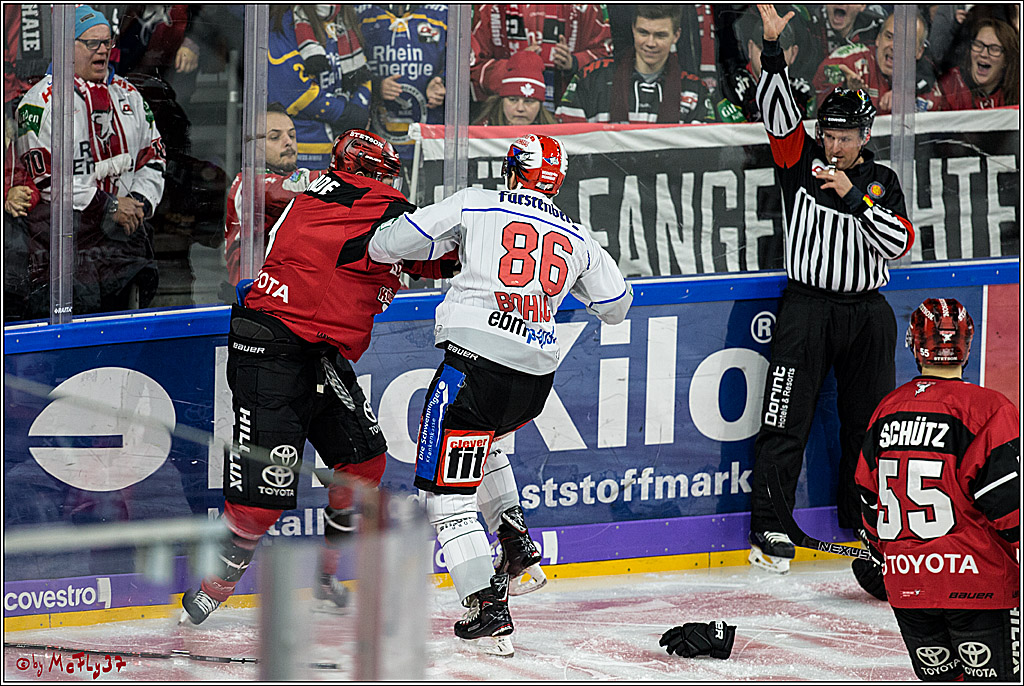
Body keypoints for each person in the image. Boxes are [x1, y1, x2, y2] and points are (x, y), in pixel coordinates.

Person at [368, 133, 632, 656]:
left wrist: (448, 249)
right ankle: (513, 540)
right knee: (481, 446)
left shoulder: (475, 202)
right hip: (531, 386)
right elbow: (619, 305)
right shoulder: (577, 237)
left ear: (511, 171)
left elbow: (386, 245)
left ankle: (486, 607)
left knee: (445, 498)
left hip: (472, 373)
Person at [180, 129, 458, 625]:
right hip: (270, 346)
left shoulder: (321, 190)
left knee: (364, 462)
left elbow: (420, 258)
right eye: (384, 172)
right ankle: (211, 588)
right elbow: (438, 257)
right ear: (370, 172)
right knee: (261, 499)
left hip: (315, 346)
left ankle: (327, 577)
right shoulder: (378, 203)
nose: (390, 181)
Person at [745, 5, 913, 582]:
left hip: (867, 314)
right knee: (783, 418)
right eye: (829, 134)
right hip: (808, 307)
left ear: (865, 136)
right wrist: (772, 49)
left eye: (844, 136)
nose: (834, 145)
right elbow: (776, 114)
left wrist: (851, 194)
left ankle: (862, 521)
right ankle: (771, 525)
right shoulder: (799, 161)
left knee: (869, 426)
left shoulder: (881, 181)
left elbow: (898, 243)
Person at [855, 297, 1019, 681]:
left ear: (913, 343)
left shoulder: (887, 409)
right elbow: (1008, 504)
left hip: (909, 585)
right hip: (980, 585)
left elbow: (867, 497)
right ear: (968, 343)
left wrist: (886, 552)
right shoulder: (988, 409)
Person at [14, 4, 165, 318]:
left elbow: (153, 155)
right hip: (65, 248)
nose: (102, 51)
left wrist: (136, 203)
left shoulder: (130, 95)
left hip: (125, 242)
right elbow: (49, 181)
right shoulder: (39, 102)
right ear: (66, 47)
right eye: (91, 43)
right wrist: (111, 207)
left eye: (106, 42)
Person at [555, 5, 714, 124]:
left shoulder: (695, 91)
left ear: (676, 36)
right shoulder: (591, 79)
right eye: (643, 33)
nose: (650, 43)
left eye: (660, 35)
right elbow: (567, 142)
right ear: (633, 29)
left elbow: (705, 156)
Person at [224, 103, 323, 285]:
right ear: (251, 146)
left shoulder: (297, 181)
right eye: (275, 137)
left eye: (292, 135)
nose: (288, 142)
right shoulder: (247, 183)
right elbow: (284, 190)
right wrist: (347, 175)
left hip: (291, 296)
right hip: (252, 301)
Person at [267, 5, 373, 169]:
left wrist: (357, 112)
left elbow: (363, 77)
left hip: (345, 152)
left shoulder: (344, 22)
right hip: (300, 154)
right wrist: (344, 113)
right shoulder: (283, 23)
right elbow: (292, 89)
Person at [355, 3, 447, 188]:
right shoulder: (359, 12)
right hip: (376, 138)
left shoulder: (444, 12)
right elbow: (344, 64)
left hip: (429, 140)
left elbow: (466, 60)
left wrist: (442, 82)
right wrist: (375, 85)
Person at [470, 4, 612, 110]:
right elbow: (472, 66)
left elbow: (605, 56)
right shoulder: (489, 7)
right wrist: (516, 68)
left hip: (566, 112)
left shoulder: (587, 6)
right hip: (503, 116)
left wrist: (574, 63)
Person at [812, 12, 942, 114]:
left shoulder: (927, 82)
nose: (894, 46)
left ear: (919, 52)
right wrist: (846, 98)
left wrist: (908, 92)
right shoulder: (846, 64)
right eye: (889, 37)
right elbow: (819, 119)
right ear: (878, 38)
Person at [717, 8, 812, 123]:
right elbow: (736, 137)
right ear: (750, 48)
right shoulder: (729, 88)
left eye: (779, 51)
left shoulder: (803, 92)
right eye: (762, 49)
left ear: (793, 53)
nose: (769, 58)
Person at [938, 19, 1019, 110]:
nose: (983, 54)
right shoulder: (949, 86)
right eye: (978, 45)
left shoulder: (1017, 90)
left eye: (994, 49)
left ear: (1006, 60)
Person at [473, 51, 556, 125]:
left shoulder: (555, 138)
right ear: (502, 101)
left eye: (529, 101)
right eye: (513, 99)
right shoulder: (480, 137)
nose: (520, 109)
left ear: (540, 105)